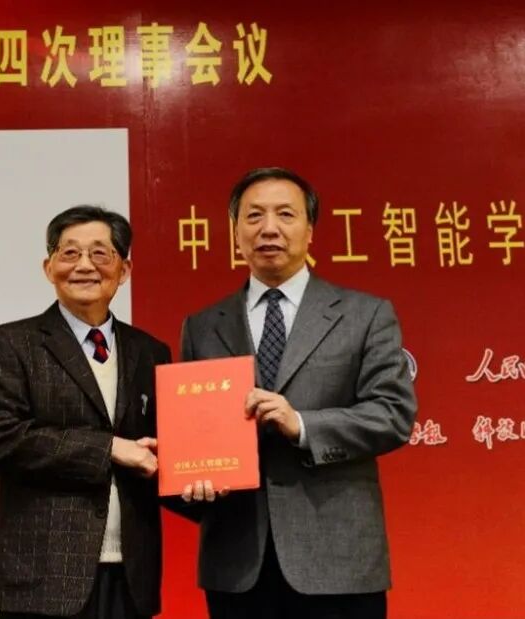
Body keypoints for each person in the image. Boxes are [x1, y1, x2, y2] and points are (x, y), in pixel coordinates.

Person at [177, 167, 417, 619]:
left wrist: (302, 424)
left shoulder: (365, 314)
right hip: (237, 562)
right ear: (235, 233)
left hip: (338, 559)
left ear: (310, 230)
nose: (269, 228)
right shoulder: (202, 326)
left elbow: (392, 414)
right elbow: (193, 433)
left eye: (285, 214)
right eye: (254, 216)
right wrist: (192, 478)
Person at [0, 205, 171, 619]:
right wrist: (108, 448)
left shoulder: (150, 351)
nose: (84, 266)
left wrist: (204, 476)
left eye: (99, 253)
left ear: (124, 269)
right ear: (49, 268)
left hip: (131, 576)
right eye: (70, 253)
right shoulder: (10, 344)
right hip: (43, 578)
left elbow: (161, 449)